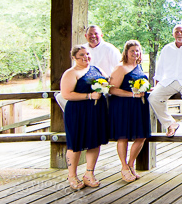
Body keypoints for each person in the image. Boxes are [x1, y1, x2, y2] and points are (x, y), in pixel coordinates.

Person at [58, 45, 110, 190]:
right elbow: (66, 94)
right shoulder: (71, 73)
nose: (86, 57)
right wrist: (89, 96)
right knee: (75, 143)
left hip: (96, 111)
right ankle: (72, 175)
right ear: (74, 57)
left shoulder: (96, 69)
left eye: (87, 54)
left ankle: (89, 174)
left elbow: (107, 82)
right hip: (77, 111)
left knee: (94, 141)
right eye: (82, 55)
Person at [107, 40, 152, 183]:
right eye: (132, 51)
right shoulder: (120, 68)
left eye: (137, 50)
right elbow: (111, 89)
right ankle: (124, 167)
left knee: (142, 135)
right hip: (123, 105)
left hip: (139, 106)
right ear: (126, 52)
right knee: (123, 136)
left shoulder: (138, 66)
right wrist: (132, 94)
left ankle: (131, 164)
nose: (135, 53)